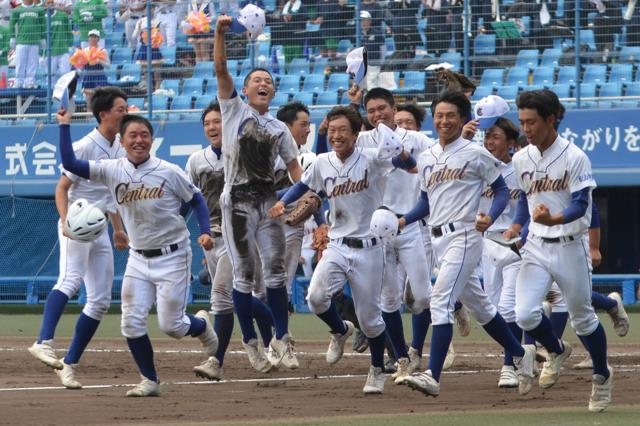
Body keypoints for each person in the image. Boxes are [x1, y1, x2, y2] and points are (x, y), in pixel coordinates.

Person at [56, 111, 218, 398]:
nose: (139, 140)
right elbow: (69, 163)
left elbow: (196, 198)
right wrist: (65, 126)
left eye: (144, 135)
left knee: (172, 325)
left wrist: (204, 230)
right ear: (122, 140)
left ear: (152, 140)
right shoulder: (111, 168)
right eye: (132, 135)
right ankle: (150, 380)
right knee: (130, 323)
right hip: (138, 257)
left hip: (172, 255)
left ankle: (202, 326)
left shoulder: (168, 170)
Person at [270, 105, 419, 395]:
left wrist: (400, 151)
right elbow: (302, 186)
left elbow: (408, 164)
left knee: (371, 319)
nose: (336, 136)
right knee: (315, 298)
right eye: (332, 130)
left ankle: (376, 368)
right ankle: (340, 330)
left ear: (355, 134)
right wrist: (281, 202)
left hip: (370, 249)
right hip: (338, 244)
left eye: (343, 131)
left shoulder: (373, 159)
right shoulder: (323, 161)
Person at [399, 90, 536, 397]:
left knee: (440, 301)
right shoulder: (427, 157)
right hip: (438, 239)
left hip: (465, 235)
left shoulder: (475, 153)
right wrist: (404, 220)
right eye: (439, 115)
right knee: (483, 308)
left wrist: (491, 215)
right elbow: (425, 202)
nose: (443, 121)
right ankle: (520, 353)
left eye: (450, 115)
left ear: (462, 119)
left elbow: (501, 190)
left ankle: (433, 376)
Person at [504, 89, 612, 412]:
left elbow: (582, 206)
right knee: (524, 313)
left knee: (583, 318)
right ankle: (557, 348)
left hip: (569, 245)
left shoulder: (575, 156)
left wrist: (554, 218)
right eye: (522, 122)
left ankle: (602, 376)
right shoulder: (521, 158)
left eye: (531, 122)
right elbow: (525, 201)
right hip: (536, 245)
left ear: (551, 120)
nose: (525, 129)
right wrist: (517, 228)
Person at [214, 14, 303, 372]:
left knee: (277, 273)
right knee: (244, 276)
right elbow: (220, 68)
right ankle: (250, 340)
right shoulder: (233, 109)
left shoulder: (280, 128)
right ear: (246, 90)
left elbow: (296, 170)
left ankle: (281, 339)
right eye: (256, 80)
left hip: (269, 202)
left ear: (273, 91)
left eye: (268, 80)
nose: (262, 83)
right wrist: (220, 33)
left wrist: (299, 198)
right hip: (236, 200)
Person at [28, 87, 128, 389]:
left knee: (99, 301)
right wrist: (65, 222)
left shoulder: (121, 146)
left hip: (100, 227)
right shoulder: (85, 146)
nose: (126, 112)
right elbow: (61, 188)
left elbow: (110, 194)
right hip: (77, 222)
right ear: (104, 114)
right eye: (121, 108)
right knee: (70, 281)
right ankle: (43, 341)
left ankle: (68, 364)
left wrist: (119, 228)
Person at [186, 102, 277, 379]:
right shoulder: (196, 161)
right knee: (240, 299)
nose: (213, 127)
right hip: (212, 240)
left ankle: (217, 360)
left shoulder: (243, 156)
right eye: (208, 123)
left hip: (239, 235)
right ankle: (277, 334)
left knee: (221, 297)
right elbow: (190, 200)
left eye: (218, 121)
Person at [356, 88, 434, 382]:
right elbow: (336, 154)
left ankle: (416, 348)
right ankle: (401, 359)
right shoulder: (362, 141)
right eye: (372, 110)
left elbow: (430, 167)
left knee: (424, 297)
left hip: (410, 225)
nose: (378, 115)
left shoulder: (416, 139)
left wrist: (406, 157)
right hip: (377, 230)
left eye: (382, 109)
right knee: (388, 300)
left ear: (393, 107)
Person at [477, 116, 525, 388]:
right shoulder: (481, 167)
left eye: (495, 136)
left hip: (515, 243)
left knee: (508, 308)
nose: (489, 142)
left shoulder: (520, 168)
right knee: (493, 310)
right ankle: (533, 342)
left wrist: (523, 233)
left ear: (510, 142)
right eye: (487, 137)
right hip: (487, 244)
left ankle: (510, 365)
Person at [9, 0, 45, 88]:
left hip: (35, 41)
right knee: (20, 62)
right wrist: (12, 37)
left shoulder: (39, 10)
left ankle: (30, 81)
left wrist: (43, 38)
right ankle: (19, 82)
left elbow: (43, 24)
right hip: (21, 41)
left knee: (32, 63)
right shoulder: (17, 10)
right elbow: (12, 24)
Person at [132, 11, 164, 91]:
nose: (150, 10)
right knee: (147, 76)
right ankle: (149, 94)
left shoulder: (157, 20)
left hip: (154, 49)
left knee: (157, 75)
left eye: (152, 8)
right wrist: (139, 29)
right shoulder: (140, 21)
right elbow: (134, 36)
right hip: (144, 49)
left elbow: (162, 37)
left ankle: (157, 92)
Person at [43, 0, 73, 83]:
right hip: (50, 52)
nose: (50, 4)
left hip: (63, 50)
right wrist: (42, 52)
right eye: (48, 3)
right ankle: (52, 94)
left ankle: (68, 94)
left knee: (66, 75)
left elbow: (68, 31)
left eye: (52, 2)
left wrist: (70, 45)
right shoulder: (42, 18)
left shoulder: (62, 16)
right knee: (50, 76)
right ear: (45, 5)